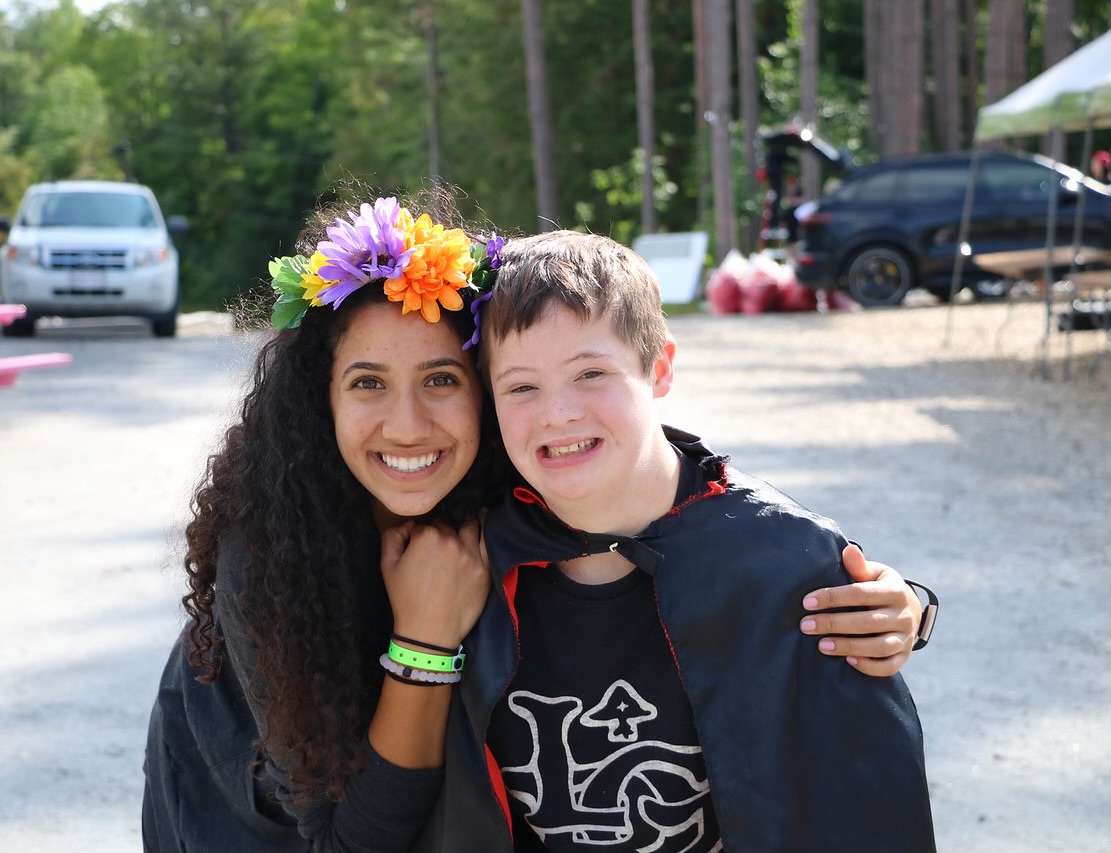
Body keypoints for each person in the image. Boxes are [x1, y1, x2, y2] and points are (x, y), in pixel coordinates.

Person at [141, 193, 935, 852]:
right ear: (322, 398)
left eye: (443, 377)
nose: (409, 424)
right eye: (367, 382)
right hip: (259, 819)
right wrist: (423, 639)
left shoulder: (510, 480)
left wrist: (888, 596)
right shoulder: (273, 554)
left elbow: (691, 510)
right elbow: (349, 840)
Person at [407, 230, 935, 851]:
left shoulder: (783, 560)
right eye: (521, 387)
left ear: (658, 370)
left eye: (590, 373)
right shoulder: (464, 554)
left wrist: (908, 609)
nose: (557, 412)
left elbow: (864, 802)